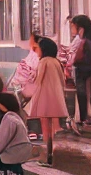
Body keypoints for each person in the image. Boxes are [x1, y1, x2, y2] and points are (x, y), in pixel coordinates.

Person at [29, 37, 68, 166]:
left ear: (43, 49)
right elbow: (62, 81)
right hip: (56, 97)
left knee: (45, 128)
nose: (37, 51)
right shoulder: (57, 62)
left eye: (38, 48)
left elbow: (38, 81)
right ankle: (52, 155)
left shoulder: (43, 62)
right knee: (52, 130)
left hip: (45, 98)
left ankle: (47, 157)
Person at [70, 14, 91, 126]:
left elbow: (78, 55)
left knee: (81, 92)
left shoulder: (82, 39)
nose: (71, 29)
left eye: (73, 26)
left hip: (83, 68)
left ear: (80, 27)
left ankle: (83, 118)